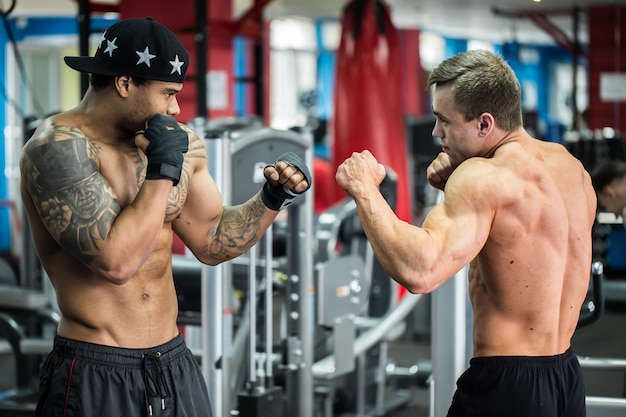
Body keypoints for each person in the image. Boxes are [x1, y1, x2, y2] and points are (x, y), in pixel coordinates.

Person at [19, 17, 311, 417]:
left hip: (172, 362)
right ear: (124, 83)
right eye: (168, 94)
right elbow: (116, 262)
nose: (175, 108)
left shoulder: (178, 143)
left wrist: (272, 196)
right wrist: (163, 170)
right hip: (95, 368)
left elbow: (212, 240)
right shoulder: (57, 148)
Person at [335, 49, 596, 417]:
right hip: (565, 379)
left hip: (506, 387)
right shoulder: (573, 171)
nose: (435, 132)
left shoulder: (482, 177)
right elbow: (523, 243)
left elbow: (420, 270)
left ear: (484, 124)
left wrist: (365, 190)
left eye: (444, 120)